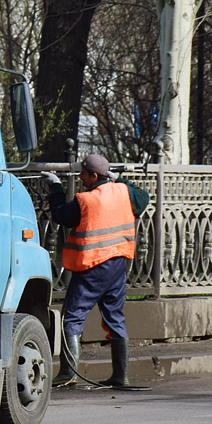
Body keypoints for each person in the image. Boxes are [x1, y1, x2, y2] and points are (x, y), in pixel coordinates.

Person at [41, 154, 149, 388]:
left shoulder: (86, 200)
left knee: (72, 316)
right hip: (118, 266)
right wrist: (122, 180)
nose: (80, 178)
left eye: (83, 174)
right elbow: (143, 198)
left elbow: (61, 215)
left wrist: (56, 187)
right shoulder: (123, 191)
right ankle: (121, 376)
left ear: (94, 175)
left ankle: (68, 373)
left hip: (92, 266)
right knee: (114, 317)